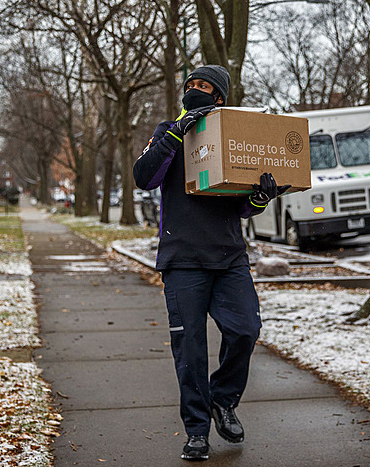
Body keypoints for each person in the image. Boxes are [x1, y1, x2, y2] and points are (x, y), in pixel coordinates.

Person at [133, 64, 289, 461]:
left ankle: (223, 400)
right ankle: (197, 431)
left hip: (229, 258)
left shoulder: (232, 139)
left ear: (219, 99)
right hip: (182, 260)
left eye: (204, 87)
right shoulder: (169, 133)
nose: (195, 90)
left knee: (244, 330)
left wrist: (259, 198)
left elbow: (241, 205)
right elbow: (144, 177)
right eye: (191, 86)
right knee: (191, 351)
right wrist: (178, 129)